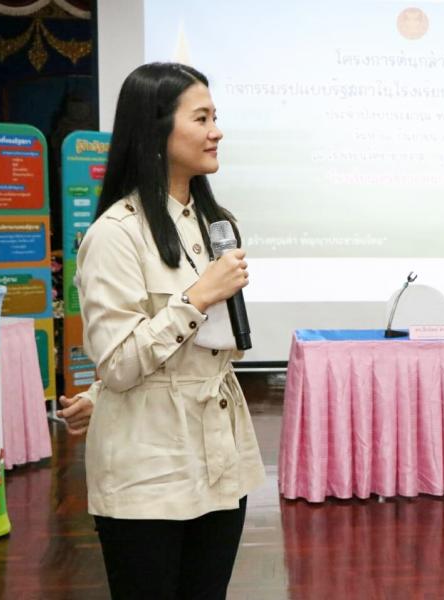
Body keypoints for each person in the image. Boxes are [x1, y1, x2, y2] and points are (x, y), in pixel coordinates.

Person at [75, 62, 265, 600]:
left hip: (221, 458)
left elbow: (208, 349)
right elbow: (118, 363)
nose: (216, 131)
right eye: (201, 118)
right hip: (148, 471)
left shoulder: (215, 224)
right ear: (155, 129)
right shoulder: (115, 234)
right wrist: (198, 296)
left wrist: (97, 395)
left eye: (215, 117)